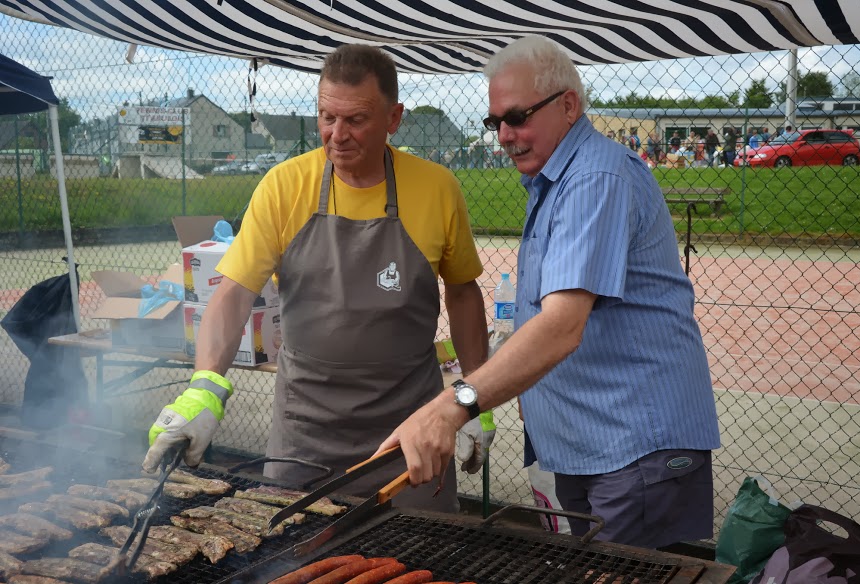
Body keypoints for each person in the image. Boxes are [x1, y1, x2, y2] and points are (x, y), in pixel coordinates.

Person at [376, 35, 721, 550]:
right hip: (590, 447)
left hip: (634, 449)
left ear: (568, 105)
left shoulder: (595, 178)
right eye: (495, 123)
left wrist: (455, 405)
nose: (505, 136)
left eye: (517, 117)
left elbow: (561, 326)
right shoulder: (556, 180)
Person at [143, 44, 491, 512]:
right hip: (304, 434)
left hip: (413, 427)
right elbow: (234, 292)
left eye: (356, 120)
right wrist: (204, 387)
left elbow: (464, 293)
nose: (337, 135)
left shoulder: (436, 188)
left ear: (394, 118)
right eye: (327, 117)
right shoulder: (284, 186)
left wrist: (474, 396)